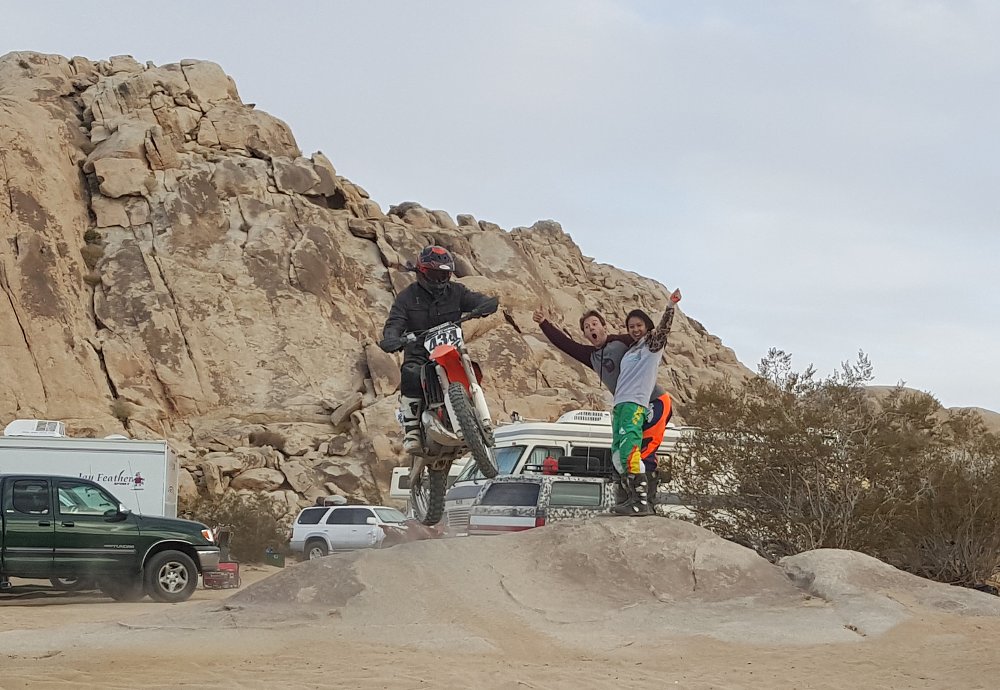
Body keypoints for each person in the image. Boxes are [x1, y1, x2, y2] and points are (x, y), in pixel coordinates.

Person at [532, 307, 673, 502]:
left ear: (604, 326)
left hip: (654, 400)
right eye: (587, 327)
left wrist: (669, 308)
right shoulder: (591, 356)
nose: (591, 328)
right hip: (628, 404)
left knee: (644, 449)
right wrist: (544, 324)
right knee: (624, 451)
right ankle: (628, 498)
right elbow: (565, 344)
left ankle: (645, 501)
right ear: (585, 334)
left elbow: (646, 335)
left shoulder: (622, 342)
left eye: (595, 324)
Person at [379, 246, 498, 454]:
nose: (440, 279)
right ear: (422, 272)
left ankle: (479, 415)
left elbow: (475, 299)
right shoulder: (407, 298)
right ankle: (412, 430)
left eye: (444, 274)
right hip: (420, 354)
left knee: (472, 365)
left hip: (451, 351)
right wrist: (392, 338)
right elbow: (395, 322)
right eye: (435, 274)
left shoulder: (457, 292)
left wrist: (485, 304)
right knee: (410, 372)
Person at [611, 289, 682, 515]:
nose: (635, 329)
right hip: (620, 403)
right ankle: (630, 497)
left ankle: (641, 501)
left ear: (647, 326)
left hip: (635, 403)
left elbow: (664, 330)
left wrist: (670, 306)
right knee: (617, 453)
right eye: (631, 326)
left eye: (639, 325)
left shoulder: (652, 345)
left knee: (631, 449)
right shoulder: (633, 349)